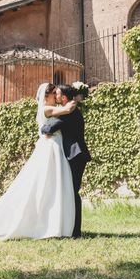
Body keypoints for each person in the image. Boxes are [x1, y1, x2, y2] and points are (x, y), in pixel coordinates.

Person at [0, 83, 77, 240]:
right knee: (46, 183)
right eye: (54, 94)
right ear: (47, 96)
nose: (56, 97)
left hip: (53, 147)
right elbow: (67, 110)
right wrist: (76, 98)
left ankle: (53, 222)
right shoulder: (46, 109)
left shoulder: (47, 109)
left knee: (52, 184)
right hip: (50, 149)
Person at [40, 84, 91, 238]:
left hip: (75, 155)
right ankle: (72, 229)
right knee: (71, 192)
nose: (55, 96)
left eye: (58, 94)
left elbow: (48, 129)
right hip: (75, 155)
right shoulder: (69, 110)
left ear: (63, 98)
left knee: (73, 192)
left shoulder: (68, 112)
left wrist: (43, 129)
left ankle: (75, 231)